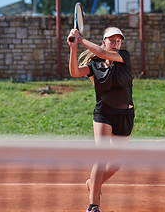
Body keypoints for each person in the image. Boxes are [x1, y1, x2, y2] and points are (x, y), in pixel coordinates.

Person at [67, 27, 135, 212]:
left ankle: (93, 183)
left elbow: (101, 52)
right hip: (103, 113)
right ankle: (93, 205)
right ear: (104, 41)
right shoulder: (95, 66)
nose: (116, 44)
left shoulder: (124, 57)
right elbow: (74, 72)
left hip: (125, 115)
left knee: (116, 164)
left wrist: (80, 39)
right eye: (111, 40)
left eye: (118, 41)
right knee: (102, 155)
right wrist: (73, 48)